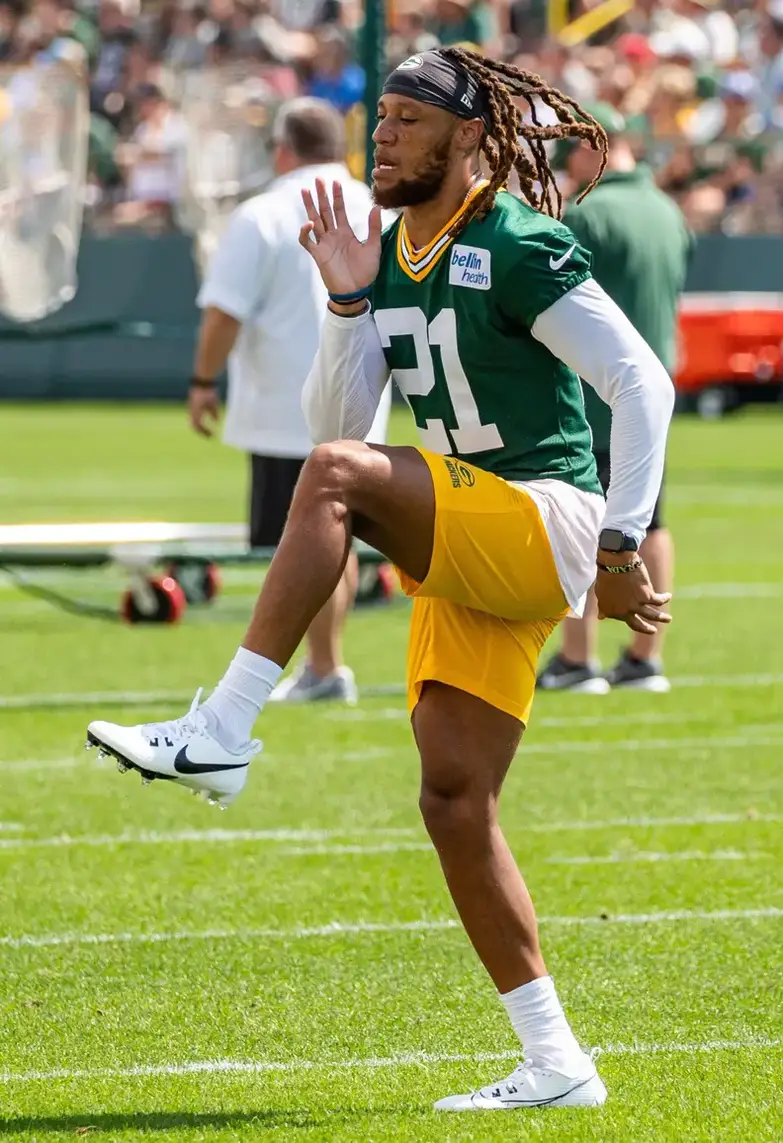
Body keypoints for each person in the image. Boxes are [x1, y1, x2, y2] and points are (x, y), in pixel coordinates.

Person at [87, 48, 674, 1112]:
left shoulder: (518, 238)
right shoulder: (396, 249)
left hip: (543, 517)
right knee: (454, 799)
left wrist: (625, 545)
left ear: (464, 139)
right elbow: (339, 434)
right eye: (380, 119)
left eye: (407, 119)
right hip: (468, 532)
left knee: (333, 481)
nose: (383, 136)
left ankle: (223, 726)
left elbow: (642, 380)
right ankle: (557, 1063)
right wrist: (349, 301)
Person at [189, 96, 390, 704]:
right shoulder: (375, 205)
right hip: (362, 401)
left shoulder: (263, 213)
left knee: (304, 541)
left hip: (285, 408)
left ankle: (325, 669)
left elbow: (225, 311)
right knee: (339, 533)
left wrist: (202, 381)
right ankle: (326, 665)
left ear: (283, 148)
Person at [538, 103, 692, 694]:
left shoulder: (588, 214)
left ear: (586, 149)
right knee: (650, 519)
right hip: (654, 394)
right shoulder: (666, 211)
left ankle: (578, 661)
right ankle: (644, 656)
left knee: (582, 521)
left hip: (595, 398)